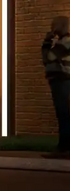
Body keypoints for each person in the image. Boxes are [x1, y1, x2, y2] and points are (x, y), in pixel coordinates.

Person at [43, 15, 70, 157]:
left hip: (62, 80)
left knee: (63, 113)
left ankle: (64, 147)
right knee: (63, 113)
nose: (51, 28)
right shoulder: (62, 42)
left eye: (53, 25)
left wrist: (47, 41)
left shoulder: (65, 42)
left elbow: (48, 57)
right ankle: (63, 146)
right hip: (58, 80)